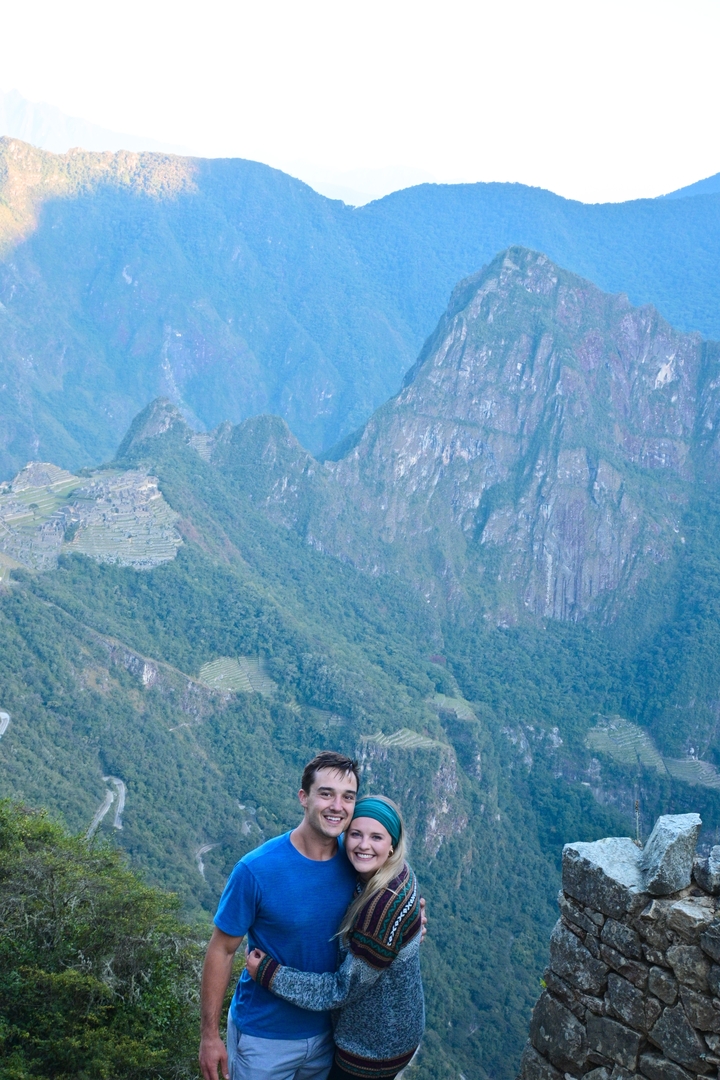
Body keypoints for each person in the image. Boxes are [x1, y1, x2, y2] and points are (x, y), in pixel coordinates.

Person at [199, 751, 361, 1080]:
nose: (337, 806)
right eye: (326, 794)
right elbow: (222, 949)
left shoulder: (358, 861)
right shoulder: (256, 869)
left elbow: (392, 898)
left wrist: (413, 922)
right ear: (304, 797)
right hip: (264, 1037)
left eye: (348, 797)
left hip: (331, 1035)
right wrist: (209, 1036)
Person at [246, 795, 425, 1080]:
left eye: (376, 837)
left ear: (392, 844)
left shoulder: (382, 905)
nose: (363, 845)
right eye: (355, 834)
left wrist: (270, 974)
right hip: (391, 1029)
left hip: (371, 1048)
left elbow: (342, 988)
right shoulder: (393, 872)